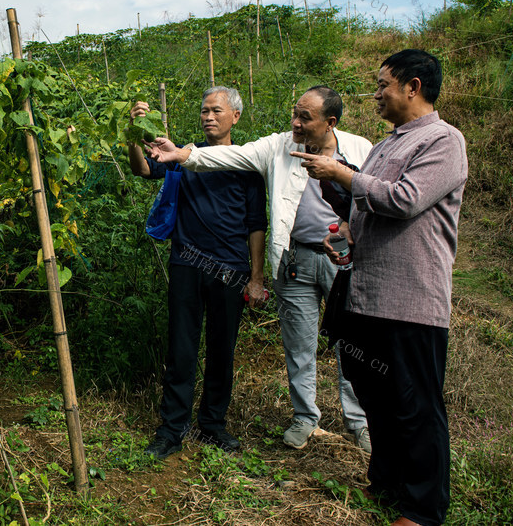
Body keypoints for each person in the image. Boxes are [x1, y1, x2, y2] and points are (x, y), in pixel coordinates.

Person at [145, 86, 373, 453]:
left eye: (305, 118)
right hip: (290, 259)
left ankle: (360, 423)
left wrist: (254, 276)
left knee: (350, 342)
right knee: (297, 347)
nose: (296, 123)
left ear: (330, 122)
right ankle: (303, 418)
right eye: (294, 115)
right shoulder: (276, 148)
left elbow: (376, 196)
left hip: (340, 259)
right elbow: (222, 158)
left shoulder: (361, 148)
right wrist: (180, 153)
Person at [296, 50, 467, 526]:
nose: (376, 93)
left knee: (416, 404)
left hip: (410, 298)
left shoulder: (443, 141)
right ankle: (389, 481)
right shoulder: (387, 143)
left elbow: (406, 200)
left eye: (382, 84)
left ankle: (422, 509)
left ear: (412, 87)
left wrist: (343, 174)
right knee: (374, 391)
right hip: (365, 293)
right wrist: (344, 222)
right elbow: (365, 203)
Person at [130, 86, 267, 460]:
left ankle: (212, 425)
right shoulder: (180, 155)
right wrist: (134, 133)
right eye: (204, 110)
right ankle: (172, 429)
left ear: (235, 117)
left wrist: (256, 277)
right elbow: (144, 169)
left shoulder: (247, 162)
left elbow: (257, 224)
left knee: (222, 350)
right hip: (187, 263)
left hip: (230, 269)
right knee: (182, 349)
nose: (208, 117)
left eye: (216, 111)